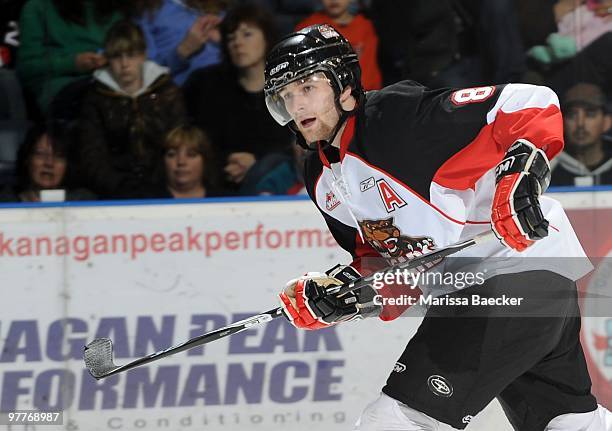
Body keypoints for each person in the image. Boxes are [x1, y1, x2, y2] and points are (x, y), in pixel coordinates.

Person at [263, 25, 612, 430]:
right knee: (570, 424)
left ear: (343, 84)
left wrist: (519, 181)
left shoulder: (398, 117)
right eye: (286, 95)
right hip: (509, 294)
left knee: (396, 421)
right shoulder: (321, 177)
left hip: (516, 276)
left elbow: (531, 102)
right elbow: (390, 266)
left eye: (307, 86)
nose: (296, 104)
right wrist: (338, 297)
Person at [183, 3, 293, 194]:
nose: (238, 43)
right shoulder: (206, 85)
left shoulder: (290, 89)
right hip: (216, 182)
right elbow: (198, 140)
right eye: (231, 37)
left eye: (247, 34)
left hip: (276, 186)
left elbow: (293, 146)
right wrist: (227, 161)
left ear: (266, 38)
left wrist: (256, 162)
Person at [79, 20, 186, 199]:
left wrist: (161, 185)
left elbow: (180, 142)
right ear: (108, 59)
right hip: (112, 193)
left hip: (164, 188)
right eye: (116, 56)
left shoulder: (166, 91)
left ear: (143, 55)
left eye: (131, 55)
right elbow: (92, 155)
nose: (124, 64)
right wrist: (119, 187)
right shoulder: (95, 97)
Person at [16, 0, 123, 112]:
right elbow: (26, 68)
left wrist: (110, 58)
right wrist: (73, 64)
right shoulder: (38, 7)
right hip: (64, 89)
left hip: (110, 81)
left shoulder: (114, 10)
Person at [131, 0, 227, 85]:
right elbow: (146, 73)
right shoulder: (146, 14)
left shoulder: (218, 5)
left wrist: (225, 39)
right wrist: (184, 50)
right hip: (189, 92)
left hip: (230, 80)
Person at [296, 0, 382, 90]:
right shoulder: (307, 28)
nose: (334, 0)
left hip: (364, 93)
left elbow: (369, 74)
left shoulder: (365, 27)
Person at [0, 123, 94, 202]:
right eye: (40, 154)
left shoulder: (83, 202)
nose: (49, 163)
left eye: (59, 156)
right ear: (27, 159)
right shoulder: (6, 201)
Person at [551, 83, 612, 187]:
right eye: (572, 115)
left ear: (607, 122)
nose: (580, 123)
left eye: (590, 114)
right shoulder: (547, 167)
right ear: (562, 122)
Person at [159, 124, 220, 198]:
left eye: (191, 154)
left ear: (205, 161)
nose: (181, 162)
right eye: (172, 154)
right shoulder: (145, 199)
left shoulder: (226, 200)